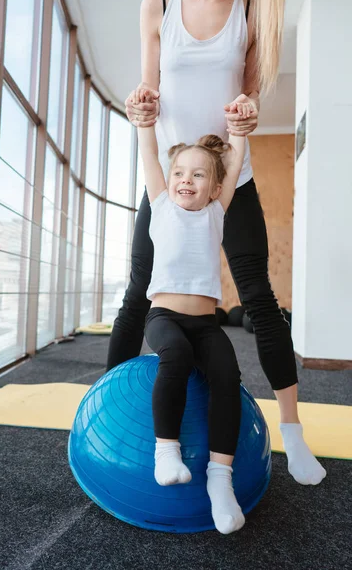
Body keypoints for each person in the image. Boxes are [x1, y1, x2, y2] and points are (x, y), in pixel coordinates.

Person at [107, 0, 326, 487]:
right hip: (175, 179)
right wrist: (140, 99)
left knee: (259, 298)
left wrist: (249, 107)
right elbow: (148, 84)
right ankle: (107, 412)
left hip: (230, 178)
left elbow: (248, 90)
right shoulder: (157, 2)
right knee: (138, 293)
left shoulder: (251, 7)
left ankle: (292, 433)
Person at [137, 85, 247, 534]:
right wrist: (145, 119)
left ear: (216, 188)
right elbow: (149, 151)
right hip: (163, 318)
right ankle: (167, 450)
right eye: (179, 172)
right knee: (176, 358)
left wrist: (240, 126)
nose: (186, 179)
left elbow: (236, 160)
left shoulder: (216, 213)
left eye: (198, 175)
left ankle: (221, 479)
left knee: (227, 374)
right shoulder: (162, 206)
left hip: (206, 323)